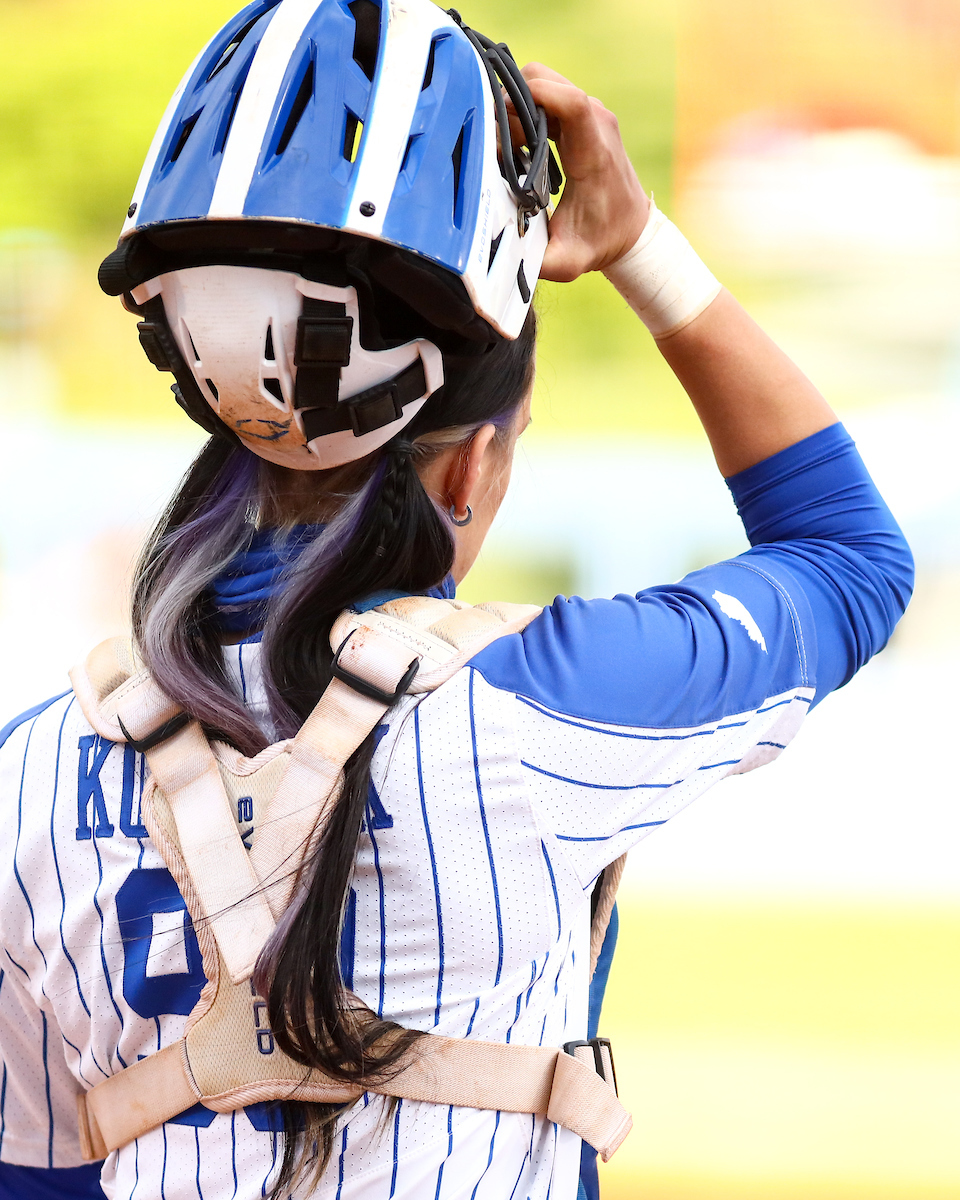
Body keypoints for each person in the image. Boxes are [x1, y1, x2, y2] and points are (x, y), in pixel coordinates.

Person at [0, 1, 913, 1198]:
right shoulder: (540, 711)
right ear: (474, 462)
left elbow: (37, 1172)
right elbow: (852, 556)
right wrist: (639, 245)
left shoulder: (26, 770)